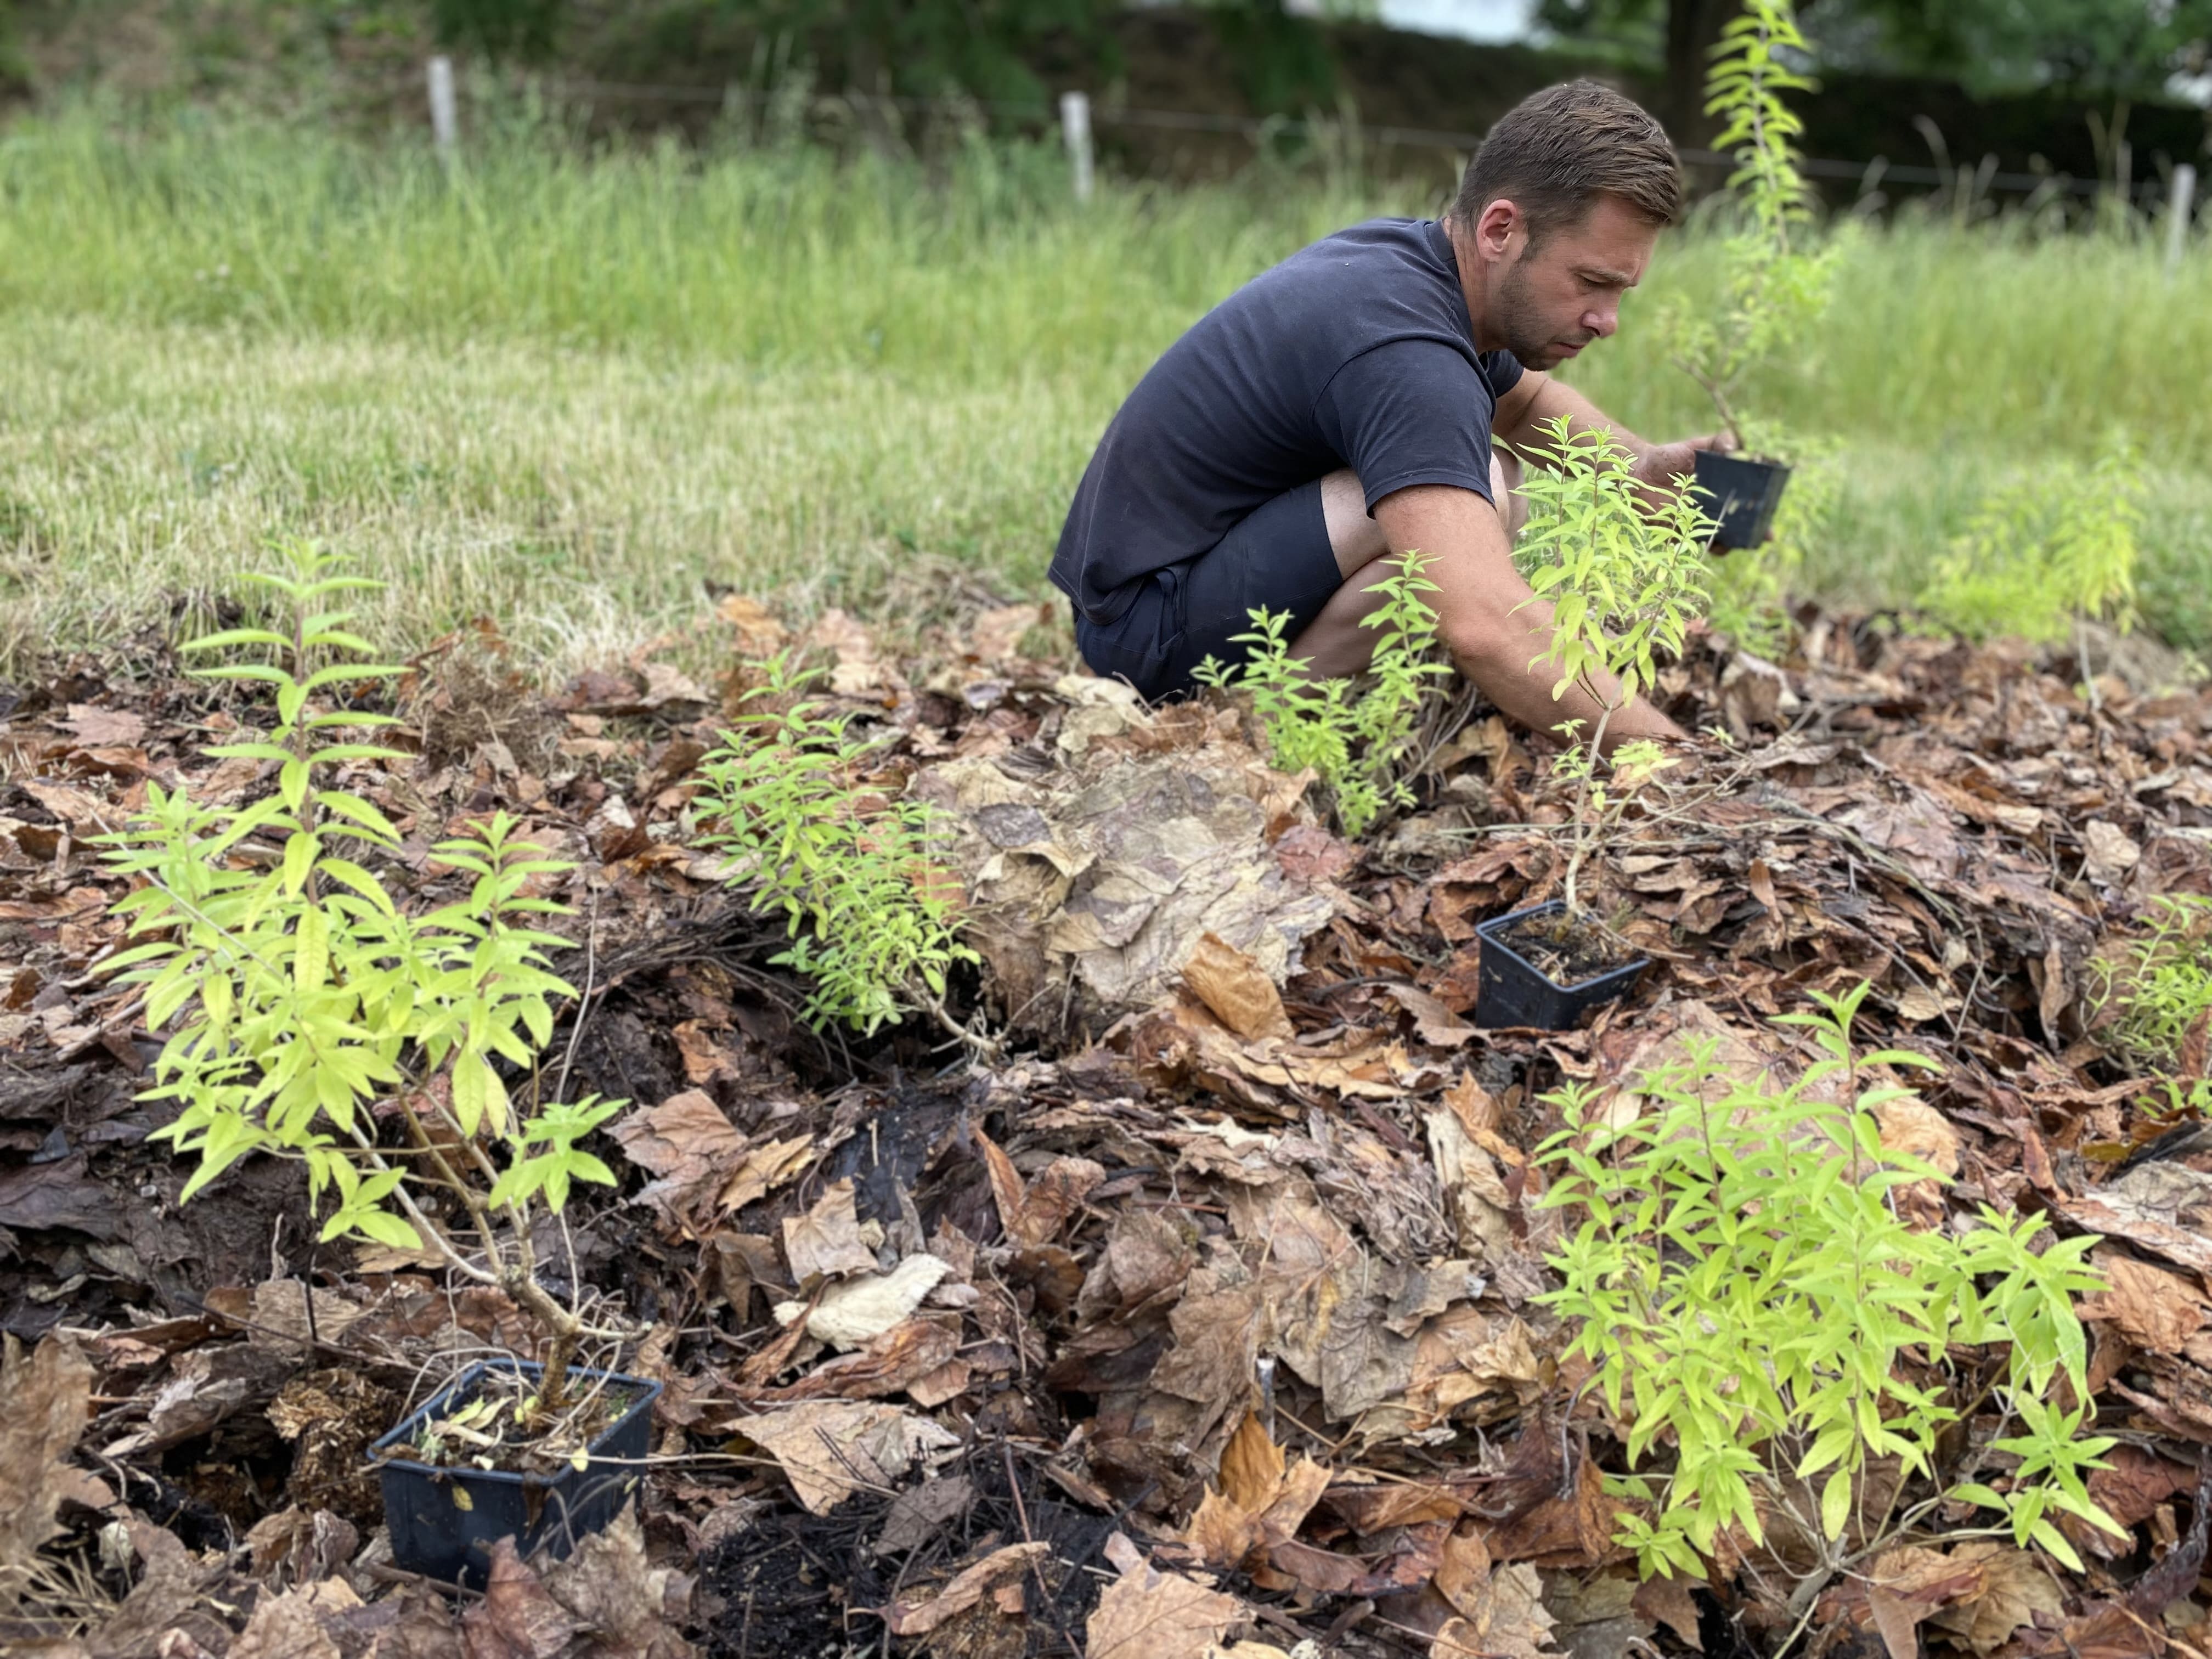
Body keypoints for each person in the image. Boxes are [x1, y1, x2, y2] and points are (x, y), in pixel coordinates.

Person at [1050, 78, 1728, 751]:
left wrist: (1641, 471)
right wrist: (1672, 759)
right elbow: (1485, 626)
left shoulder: (1418, 269)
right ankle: (1247, 725)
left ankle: (1296, 704)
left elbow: (1524, 406)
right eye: (1591, 282)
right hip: (1146, 632)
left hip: (1169, 582)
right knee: (1483, 489)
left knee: (1493, 477)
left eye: (1620, 291)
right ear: (1501, 230)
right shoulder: (1406, 353)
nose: (1606, 322)